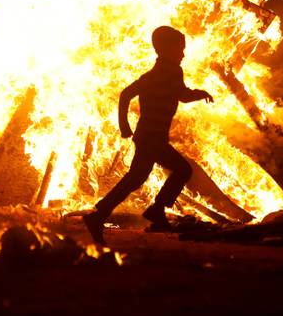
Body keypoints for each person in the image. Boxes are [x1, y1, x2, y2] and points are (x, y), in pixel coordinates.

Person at [83, 25, 214, 245]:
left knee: (136, 178)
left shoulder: (155, 74)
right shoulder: (170, 71)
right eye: (179, 49)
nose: (183, 54)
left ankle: (98, 215)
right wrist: (200, 94)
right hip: (152, 137)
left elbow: (127, 94)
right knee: (182, 169)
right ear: (166, 49)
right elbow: (182, 95)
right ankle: (156, 209)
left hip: (149, 136)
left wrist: (125, 125)